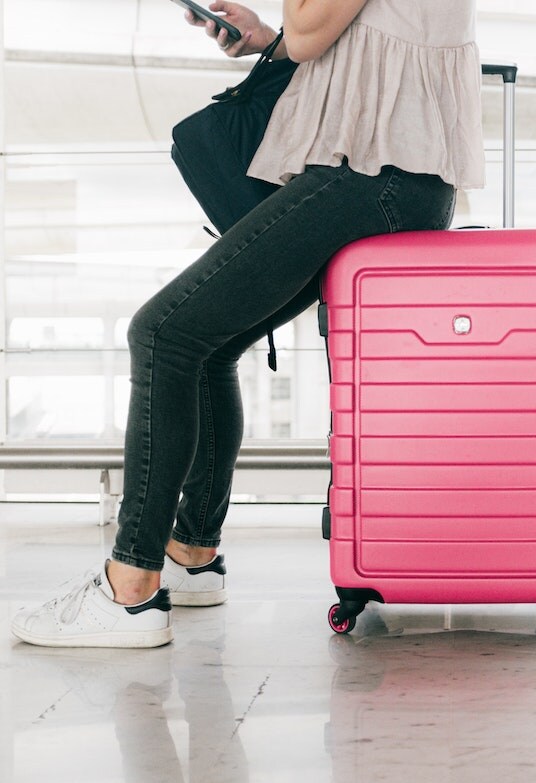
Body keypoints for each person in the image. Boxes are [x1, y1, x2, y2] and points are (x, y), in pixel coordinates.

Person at [11, 0, 484, 648]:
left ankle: (129, 588)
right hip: (391, 176)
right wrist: (267, 39)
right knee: (206, 346)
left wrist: (292, 31)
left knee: (163, 334)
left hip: (370, 175)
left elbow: (314, 30)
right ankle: (191, 553)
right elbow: (330, 30)